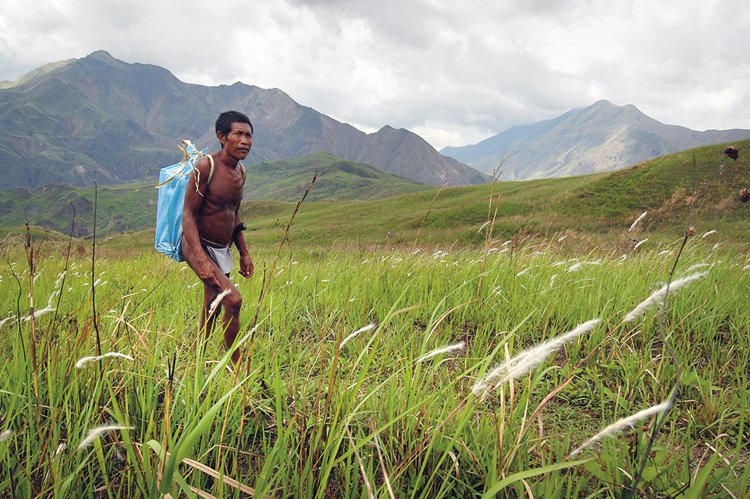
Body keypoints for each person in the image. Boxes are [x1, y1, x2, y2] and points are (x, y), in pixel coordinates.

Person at [182, 111, 254, 363]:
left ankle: (198, 359)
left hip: (222, 248)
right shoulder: (206, 167)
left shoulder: (240, 172)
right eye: (238, 134)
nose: (245, 141)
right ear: (222, 137)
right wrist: (201, 259)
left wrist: (243, 252)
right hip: (197, 246)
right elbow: (188, 215)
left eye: (248, 135)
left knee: (212, 304)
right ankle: (234, 365)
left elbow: (233, 212)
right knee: (232, 300)